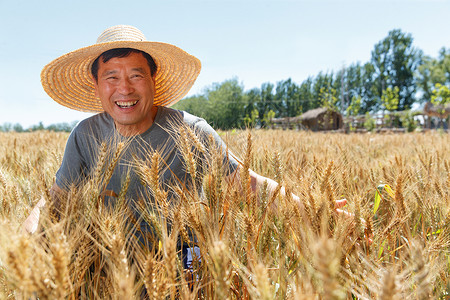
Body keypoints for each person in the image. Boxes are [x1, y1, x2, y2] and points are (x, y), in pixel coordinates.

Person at [23, 25, 349, 253]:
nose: (125, 89)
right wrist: (23, 239)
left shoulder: (190, 131)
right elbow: (56, 200)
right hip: (110, 273)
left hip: (184, 275)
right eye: (112, 77)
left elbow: (245, 184)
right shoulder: (85, 136)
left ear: (153, 80)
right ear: (96, 86)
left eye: (136, 75)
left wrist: (311, 210)